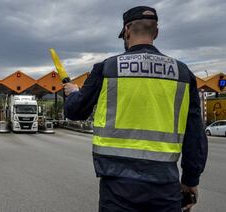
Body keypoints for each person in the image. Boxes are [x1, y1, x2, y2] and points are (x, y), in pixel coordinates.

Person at [63, 6, 208, 212]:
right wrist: (190, 180)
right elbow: (195, 134)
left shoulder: (107, 68)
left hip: (117, 185)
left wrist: (73, 92)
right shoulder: (182, 74)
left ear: (127, 31)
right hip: (164, 184)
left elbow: (75, 111)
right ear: (156, 33)